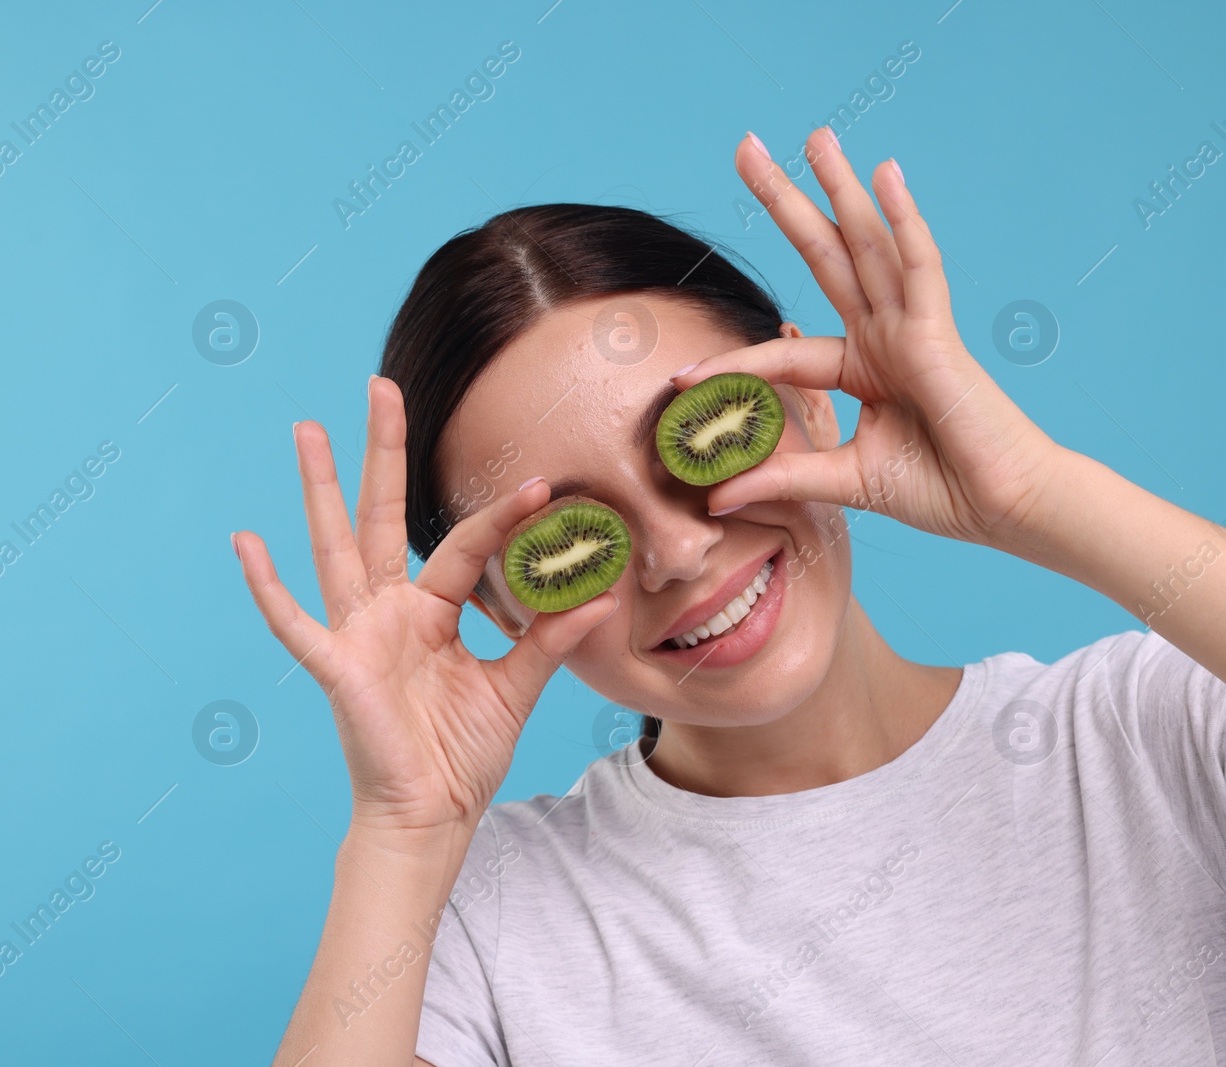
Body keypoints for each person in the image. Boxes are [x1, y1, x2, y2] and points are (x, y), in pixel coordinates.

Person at [233, 127, 1226, 1065]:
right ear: (500, 609)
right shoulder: (489, 913)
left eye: (697, 438)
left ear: (803, 392)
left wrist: (1035, 495)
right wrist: (402, 828)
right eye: (573, 540)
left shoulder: (1149, 731)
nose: (673, 552)